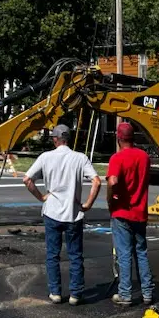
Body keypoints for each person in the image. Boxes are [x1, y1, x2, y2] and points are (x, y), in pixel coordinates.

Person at [23, 124, 101, 305]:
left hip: (52, 212)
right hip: (73, 213)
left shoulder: (46, 157)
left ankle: (55, 292)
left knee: (52, 254)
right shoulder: (80, 158)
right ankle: (75, 293)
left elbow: (27, 179)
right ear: (68, 139)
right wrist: (87, 204)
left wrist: (42, 197)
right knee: (75, 255)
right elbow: (96, 182)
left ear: (56, 139)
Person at [107, 121, 155, 306]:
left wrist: (112, 200)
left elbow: (112, 181)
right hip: (139, 211)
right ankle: (147, 292)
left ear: (119, 138)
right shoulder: (144, 157)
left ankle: (125, 294)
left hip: (122, 211)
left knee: (124, 253)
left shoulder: (117, 158)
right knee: (141, 252)